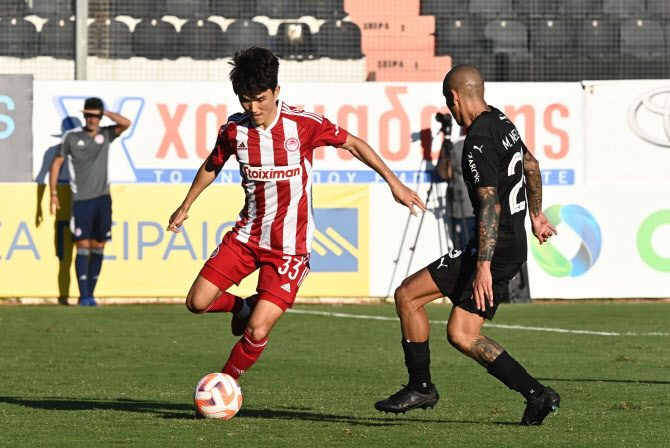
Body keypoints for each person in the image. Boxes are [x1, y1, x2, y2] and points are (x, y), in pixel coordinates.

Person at [167, 47, 425, 384]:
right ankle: (241, 307)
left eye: (259, 98)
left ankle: (225, 385)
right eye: (245, 100)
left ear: (276, 91)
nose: (253, 108)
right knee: (197, 302)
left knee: (258, 329)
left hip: (290, 249)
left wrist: (395, 184)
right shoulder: (234, 130)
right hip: (246, 237)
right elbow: (212, 164)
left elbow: (355, 144)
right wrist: (186, 205)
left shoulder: (303, 126)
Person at [375, 65, 561, 426]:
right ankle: (538, 395)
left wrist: (482, 268)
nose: (453, 113)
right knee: (462, 334)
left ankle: (421, 386)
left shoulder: (476, 141)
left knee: (407, 295)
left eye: (450, 104)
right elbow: (532, 165)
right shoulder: (502, 121)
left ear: (454, 98)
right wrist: (536, 214)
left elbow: (489, 204)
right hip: (512, 243)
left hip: (493, 247)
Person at [49, 97, 131, 306]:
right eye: (89, 115)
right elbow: (56, 164)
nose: (93, 120)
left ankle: (91, 295)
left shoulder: (106, 134)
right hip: (81, 200)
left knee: (99, 244)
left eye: (96, 115)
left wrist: (105, 113)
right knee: (82, 245)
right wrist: (53, 193)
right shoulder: (71, 137)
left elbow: (125, 123)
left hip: (103, 199)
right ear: (84, 115)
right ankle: (83, 295)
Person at [447, 139, 476, 249]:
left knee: (467, 253)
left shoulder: (459, 146)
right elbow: (446, 173)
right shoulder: (458, 146)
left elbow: (447, 173)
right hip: (468, 209)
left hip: (473, 209)